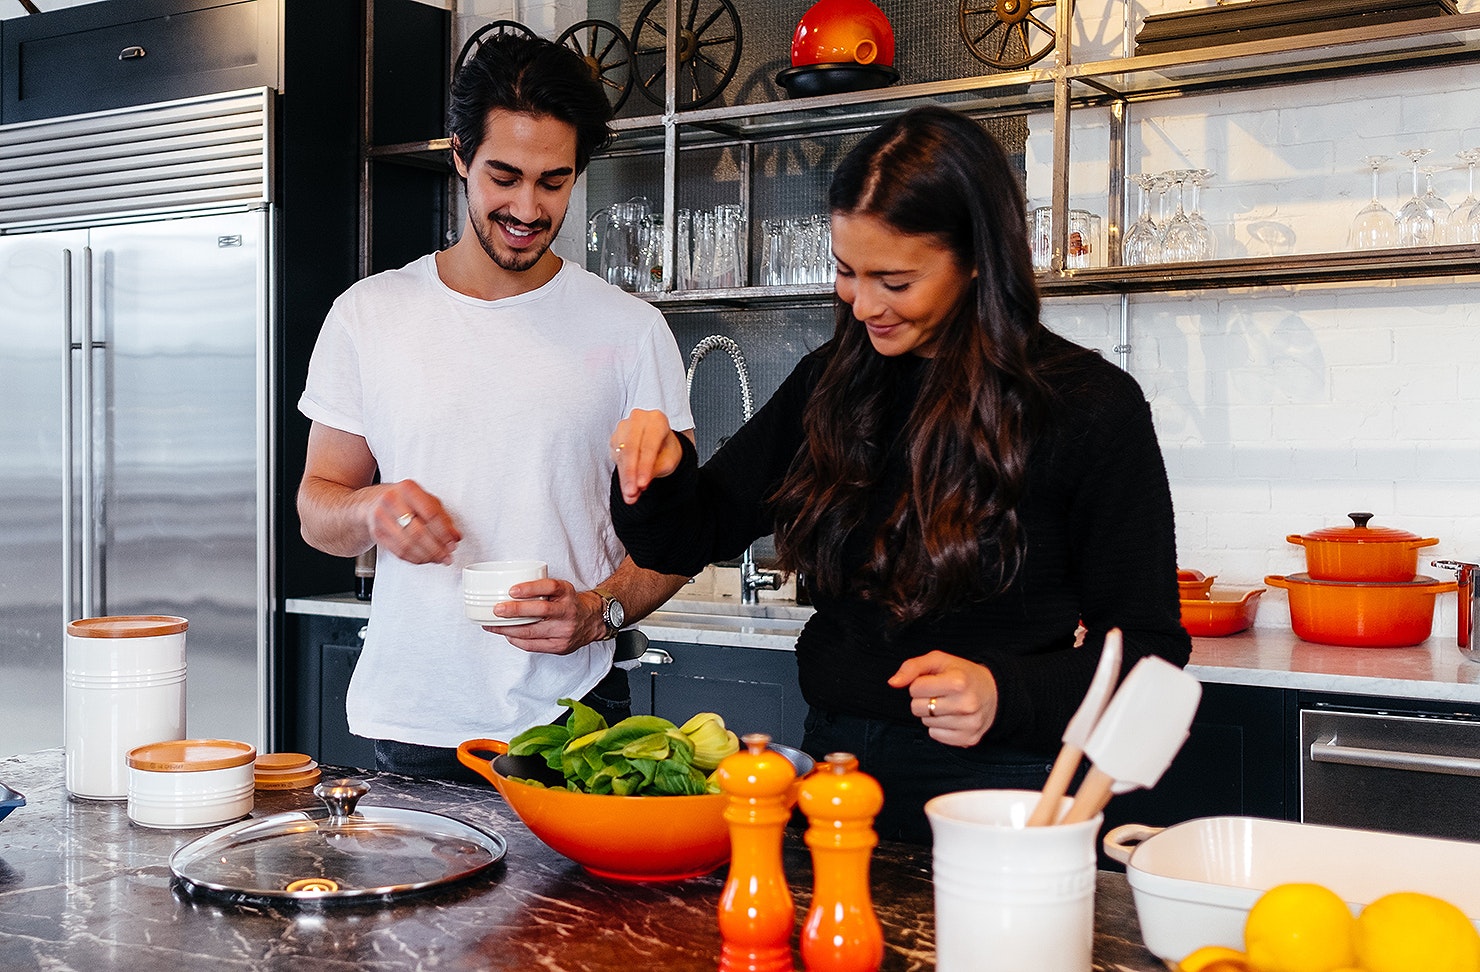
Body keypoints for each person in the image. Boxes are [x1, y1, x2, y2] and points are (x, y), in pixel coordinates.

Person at [608, 105, 1192, 843]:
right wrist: (658, 472)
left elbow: (1148, 650)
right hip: (836, 776)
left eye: (895, 280)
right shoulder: (831, 384)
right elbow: (688, 535)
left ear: (977, 258)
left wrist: (1004, 692)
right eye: (847, 273)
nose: (864, 304)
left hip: (1000, 788)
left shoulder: (1088, 407)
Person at [296, 34, 694, 782]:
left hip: (573, 723)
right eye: (503, 177)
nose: (526, 207)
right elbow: (318, 507)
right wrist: (371, 511)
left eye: (554, 182)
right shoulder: (369, 315)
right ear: (459, 155)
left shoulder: (630, 329)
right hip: (412, 721)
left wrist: (600, 610)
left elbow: (682, 532)